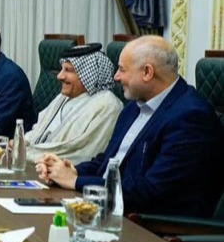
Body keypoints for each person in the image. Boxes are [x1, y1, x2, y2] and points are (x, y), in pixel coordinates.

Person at [38, 36, 224, 217]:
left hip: (149, 226)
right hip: (112, 209)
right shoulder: (133, 108)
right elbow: (108, 161)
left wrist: (76, 181)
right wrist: (68, 170)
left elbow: (150, 190)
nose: (116, 77)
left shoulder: (191, 118)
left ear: (147, 72)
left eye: (121, 69)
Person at [24, 43, 122, 165]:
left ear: (89, 75)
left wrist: (28, 153)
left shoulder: (107, 104)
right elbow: (40, 129)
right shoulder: (63, 97)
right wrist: (22, 143)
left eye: (68, 70)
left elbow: (83, 153)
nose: (59, 76)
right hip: (33, 162)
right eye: (62, 69)